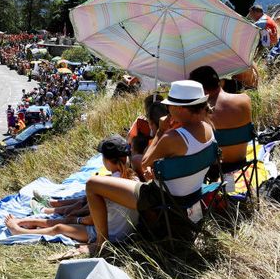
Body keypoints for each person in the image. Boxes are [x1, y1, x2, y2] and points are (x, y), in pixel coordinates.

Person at [85, 81, 216, 243]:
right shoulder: (209, 129)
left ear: (180, 108)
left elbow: (144, 162)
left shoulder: (173, 138)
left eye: (170, 106)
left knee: (92, 184)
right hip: (193, 193)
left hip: (162, 198)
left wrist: (161, 131)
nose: (168, 110)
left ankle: (100, 243)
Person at [5, 136, 139, 244]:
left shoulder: (109, 185)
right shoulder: (133, 178)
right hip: (123, 230)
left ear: (107, 161)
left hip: (112, 235)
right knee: (74, 212)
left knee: (60, 228)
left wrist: (74, 219)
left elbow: (93, 220)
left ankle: (20, 230)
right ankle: (35, 216)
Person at [189, 65, 253, 190]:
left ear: (200, 89)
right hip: (241, 160)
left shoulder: (201, 114)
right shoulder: (245, 99)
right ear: (219, 81)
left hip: (216, 167)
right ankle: (229, 189)